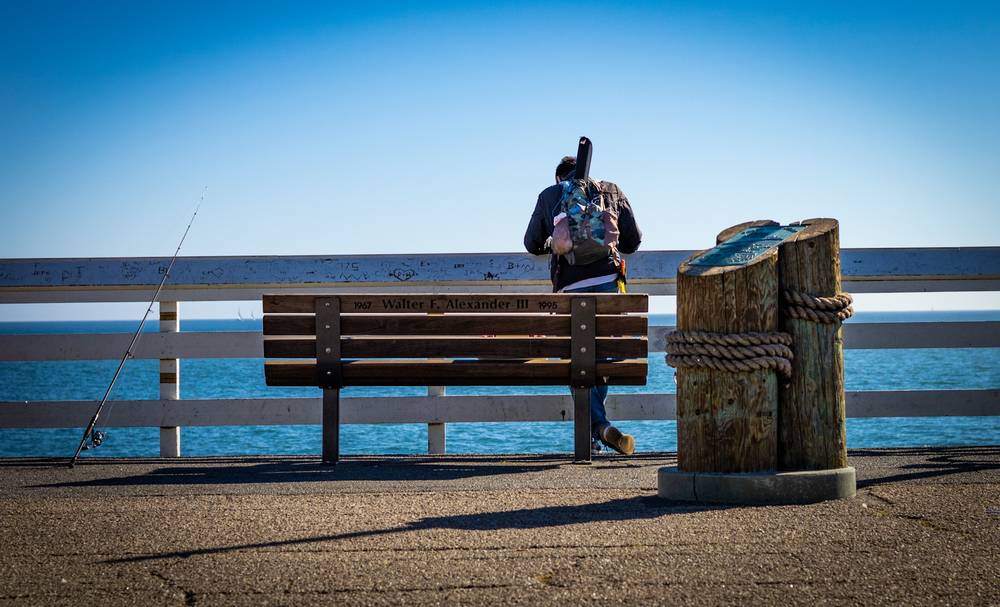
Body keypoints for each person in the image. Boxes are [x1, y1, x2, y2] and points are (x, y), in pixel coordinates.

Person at [523, 155, 642, 455]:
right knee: (599, 361)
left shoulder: (551, 195)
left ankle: (597, 430)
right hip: (608, 291)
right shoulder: (611, 191)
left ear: (558, 178)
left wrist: (554, 243)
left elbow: (531, 243)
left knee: (578, 361)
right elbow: (634, 241)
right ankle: (600, 429)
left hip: (570, 293)